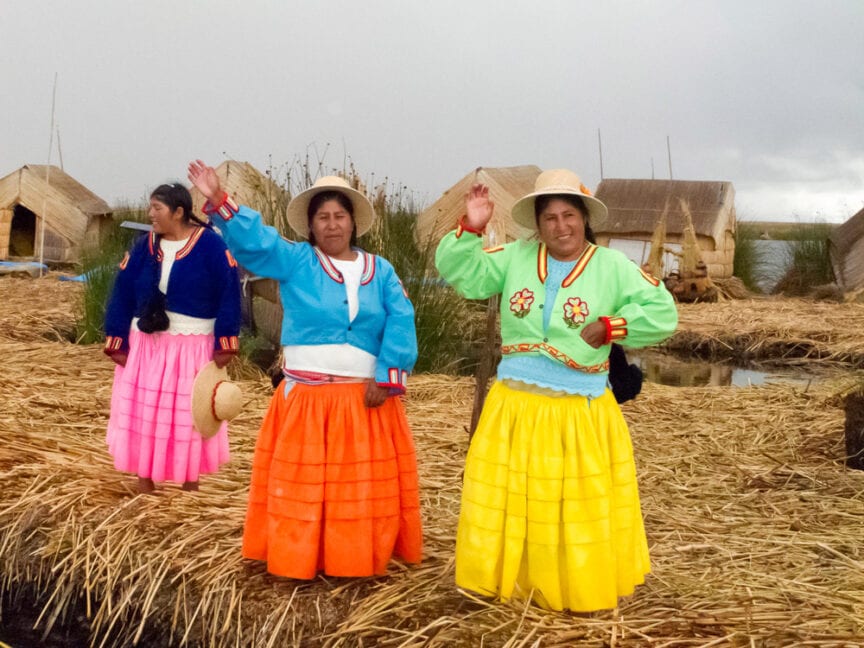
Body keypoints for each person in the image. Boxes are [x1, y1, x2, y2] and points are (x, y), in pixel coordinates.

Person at [435, 169, 678, 612]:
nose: (560, 226)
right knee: (514, 497)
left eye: (569, 215)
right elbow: (465, 273)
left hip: (578, 411)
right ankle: (514, 580)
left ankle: (574, 586)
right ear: (538, 223)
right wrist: (470, 227)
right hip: (515, 406)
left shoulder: (612, 266)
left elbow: (662, 311)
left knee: (574, 503)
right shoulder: (515, 257)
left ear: (585, 219)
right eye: (550, 217)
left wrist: (611, 327)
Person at [187, 159, 422, 579]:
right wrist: (221, 201)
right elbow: (257, 244)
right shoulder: (296, 261)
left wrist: (388, 376)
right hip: (309, 400)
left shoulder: (381, 271)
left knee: (356, 489)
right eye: (322, 218)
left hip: (364, 399)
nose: (332, 225)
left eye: (339, 216)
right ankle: (299, 557)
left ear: (353, 223)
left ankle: (351, 559)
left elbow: (401, 320)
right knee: (304, 486)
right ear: (311, 226)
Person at [103, 182, 242, 493]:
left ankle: (189, 484)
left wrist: (226, 341)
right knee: (144, 411)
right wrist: (116, 340)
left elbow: (229, 294)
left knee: (188, 414)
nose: (150, 214)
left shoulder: (211, 246)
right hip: (147, 346)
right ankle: (144, 480)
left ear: (179, 212)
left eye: (157, 208)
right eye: (150, 207)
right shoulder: (143, 247)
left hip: (190, 348)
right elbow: (122, 292)